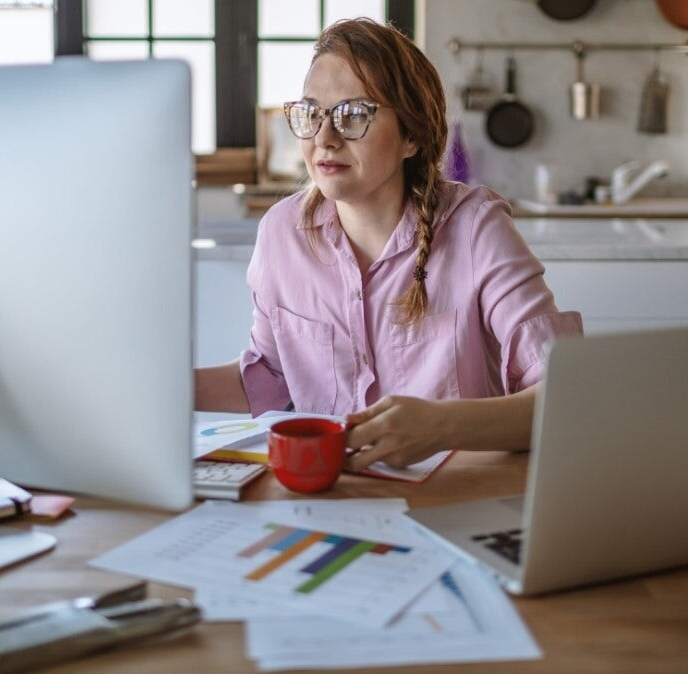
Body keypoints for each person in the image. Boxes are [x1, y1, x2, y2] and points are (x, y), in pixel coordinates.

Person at [195, 18, 581, 471]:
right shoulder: (281, 233)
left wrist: (442, 425)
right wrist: (153, 388)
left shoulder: (477, 230)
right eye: (312, 112)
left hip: (455, 500)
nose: (324, 138)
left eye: (354, 114)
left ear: (412, 136)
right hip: (333, 501)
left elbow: (565, 396)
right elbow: (271, 380)